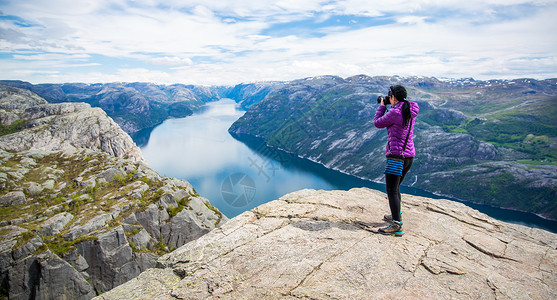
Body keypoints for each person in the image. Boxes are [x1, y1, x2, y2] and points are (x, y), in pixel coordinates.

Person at [374, 85, 419, 236]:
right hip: (408, 156)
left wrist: (382, 106)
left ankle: (396, 224)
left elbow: (378, 123)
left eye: (389, 97)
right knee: (396, 188)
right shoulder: (410, 109)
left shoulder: (395, 112)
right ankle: (396, 216)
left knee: (391, 190)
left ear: (393, 97)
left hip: (396, 157)